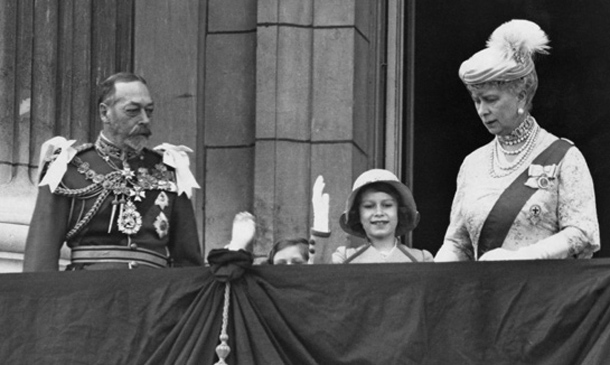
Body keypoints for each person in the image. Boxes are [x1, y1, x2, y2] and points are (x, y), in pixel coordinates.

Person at [435, 20, 600, 262]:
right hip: (485, 295)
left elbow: (582, 232)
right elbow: (458, 244)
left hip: (543, 295)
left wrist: (524, 257)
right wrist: (429, 280)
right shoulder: (473, 164)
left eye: (491, 99)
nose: (482, 110)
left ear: (521, 96)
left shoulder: (564, 155)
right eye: (477, 101)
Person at [23, 72, 203, 271]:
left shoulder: (170, 169)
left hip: (155, 298)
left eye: (149, 111)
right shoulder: (67, 169)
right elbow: (40, 260)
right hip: (88, 296)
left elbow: (188, 262)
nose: (144, 119)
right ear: (104, 113)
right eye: (133, 111)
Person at [331, 169, 433, 263]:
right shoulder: (345, 258)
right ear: (358, 214)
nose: (379, 213)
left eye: (387, 205)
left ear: (399, 211)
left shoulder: (421, 259)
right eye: (369, 206)